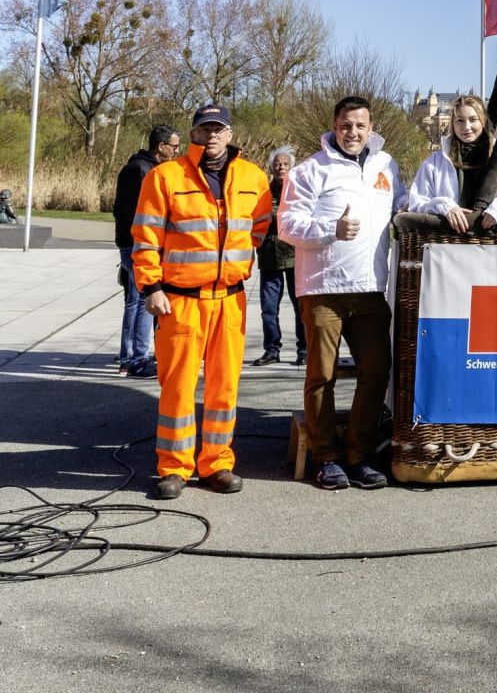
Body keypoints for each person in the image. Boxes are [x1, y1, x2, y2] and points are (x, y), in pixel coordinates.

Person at [131, 103, 272, 500]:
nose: (212, 136)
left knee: (223, 387)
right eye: (204, 129)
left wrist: (238, 260)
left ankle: (217, 463)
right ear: (192, 133)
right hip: (180, 301)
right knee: (176, 387)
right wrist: (151, 287)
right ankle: (174, 467)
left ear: (229, 134)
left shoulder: (253, 177)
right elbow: (145, 238)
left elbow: (259, 227)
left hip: (229, 299)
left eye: (219, 129)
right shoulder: (165, 177)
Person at [279, 95, 407, 493]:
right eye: (345, 126)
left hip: (371, 288)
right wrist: (330, 230)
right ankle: (326, 457)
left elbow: (401, 204)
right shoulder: (309, 170)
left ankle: (359, 454)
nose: (353, 133)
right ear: (334, 127)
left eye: (360, 126)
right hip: (324, 289)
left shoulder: (387, 166)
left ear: (371, 128)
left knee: (376, 372)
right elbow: (286, 224)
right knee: (322, 375)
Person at [113, 122, 179, 377]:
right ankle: (135, 359)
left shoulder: (151, 168)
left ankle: (129, 356)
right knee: (142, 300)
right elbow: (125, 211)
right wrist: (142, 240)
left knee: (135, 300)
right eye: (173, 146)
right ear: (161, 146)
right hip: (135, 245)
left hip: (139, 244)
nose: (176, 151)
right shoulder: (139, 169)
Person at [408, 93, 497, 231]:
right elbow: (415, 203)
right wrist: (444, 207)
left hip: (489, 244)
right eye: (460, 120)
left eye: (473, 119)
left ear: (483, 121)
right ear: (452, 124)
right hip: (446, 245)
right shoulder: (434, 163)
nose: (467, 127)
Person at [252, 147, 305, 367]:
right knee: (268, 308)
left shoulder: (298, 191)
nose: (281, 167)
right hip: (269, 257)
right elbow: (257, 216)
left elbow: (296, 218)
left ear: (292, 167)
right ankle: (271, 349)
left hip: (294, 257)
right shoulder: (263, 191)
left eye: (285, 164)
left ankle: (304, 350)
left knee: (300, 306)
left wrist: (277, 217)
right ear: (271, 167)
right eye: (277, 164)